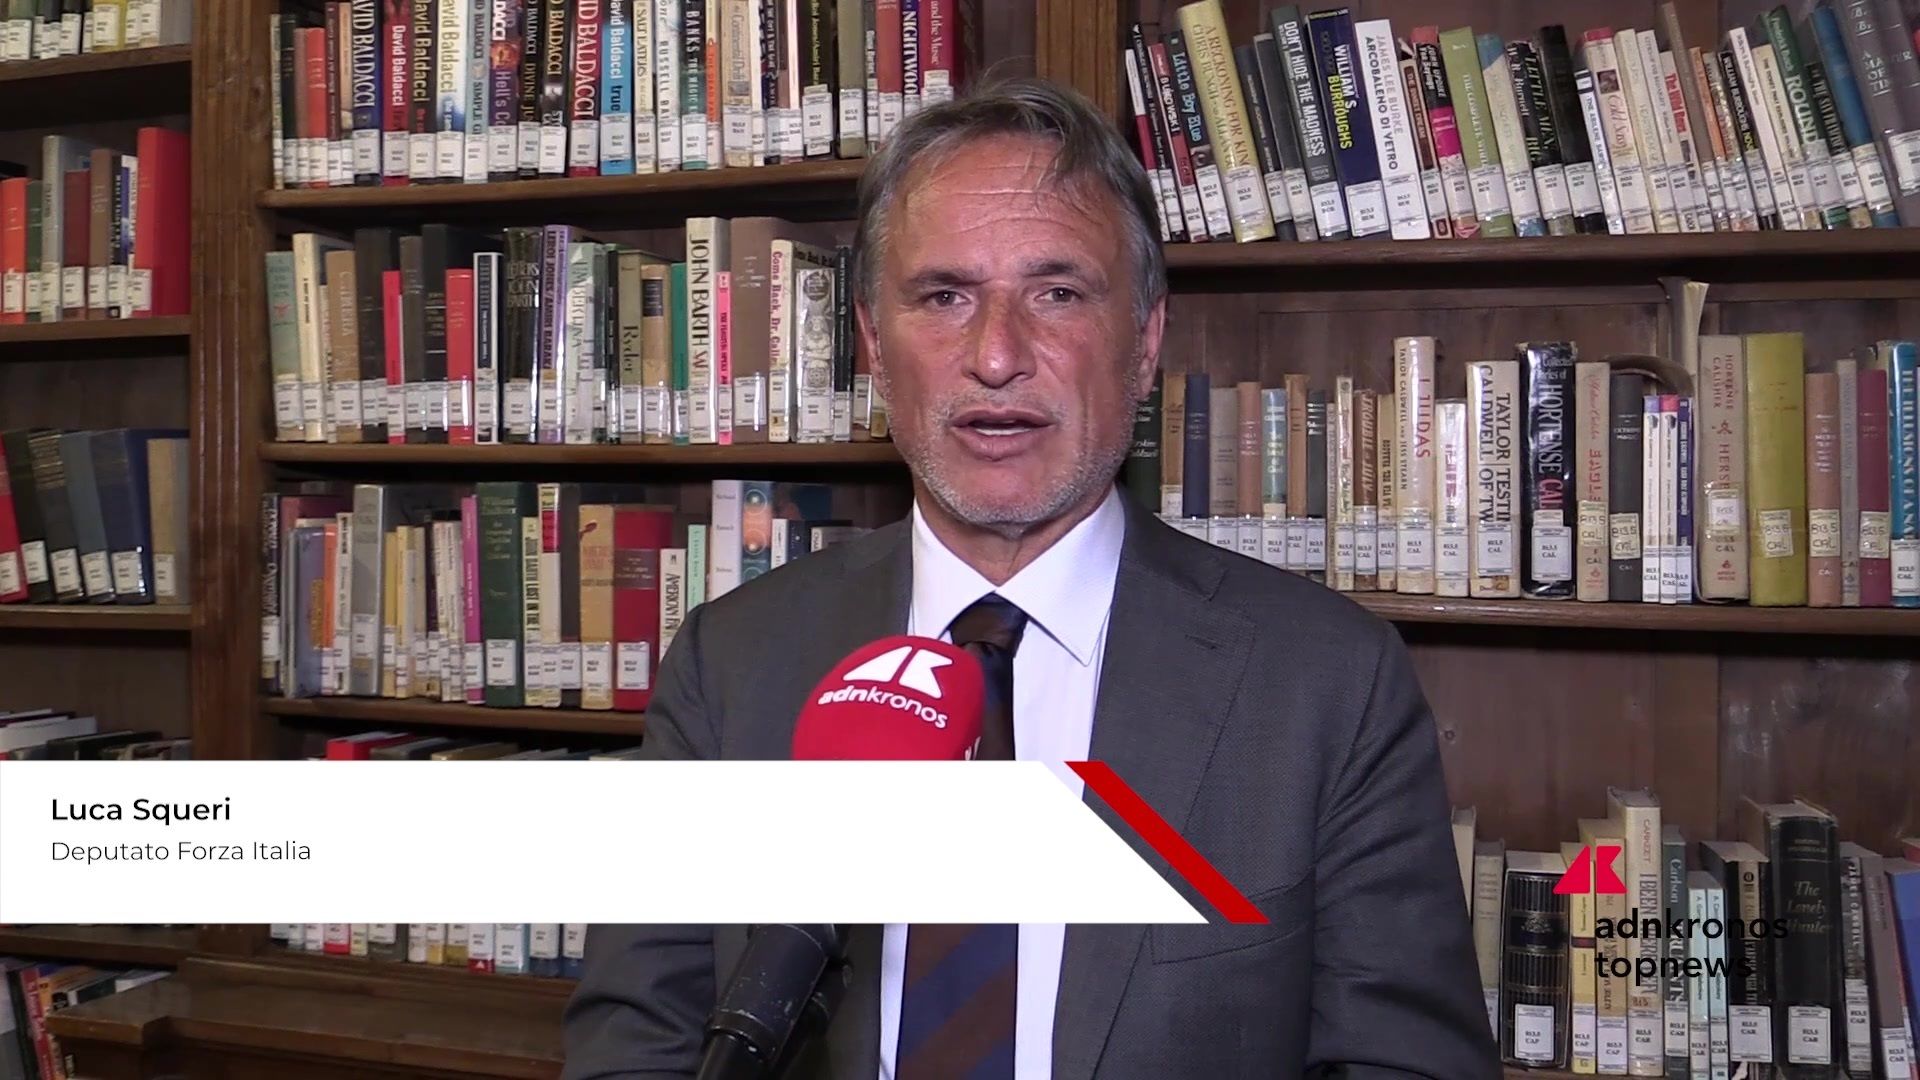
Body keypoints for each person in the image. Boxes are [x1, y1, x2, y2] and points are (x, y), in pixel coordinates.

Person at [562, 76, 1498, 1080]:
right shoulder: (733, 664)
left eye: (1057, 293)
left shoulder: (1329, 684)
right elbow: (637, 1050)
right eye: (944, 296)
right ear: (873, 344)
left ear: (1144, 340)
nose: (997, 355)